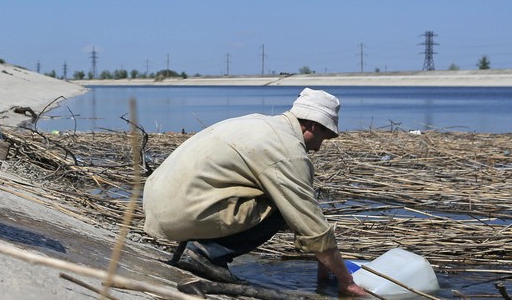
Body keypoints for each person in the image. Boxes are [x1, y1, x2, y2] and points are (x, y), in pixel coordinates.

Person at [142, 88, 367, 296]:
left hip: (159, 204)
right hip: (183, 211)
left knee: (275, 198)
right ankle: (206, 254)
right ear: (313, 126)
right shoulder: (288, 150)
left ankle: (195, 249)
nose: (318, 147)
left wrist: (324, 261)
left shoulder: (260, 123)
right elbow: (310, 222)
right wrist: (346, 281)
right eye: (323, 138)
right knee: (281, 206)